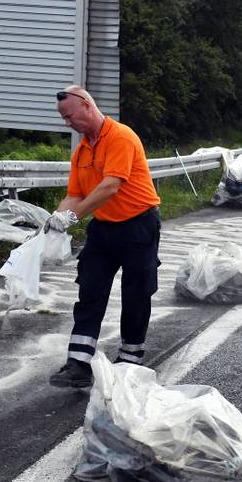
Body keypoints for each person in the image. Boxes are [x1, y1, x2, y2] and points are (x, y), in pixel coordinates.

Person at [47, 85, 162, 388]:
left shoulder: (120, 137)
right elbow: (74, 195)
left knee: (136, 293)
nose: (67, 123)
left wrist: (75, 214)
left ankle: (130, 361)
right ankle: (79, 363)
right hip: (104, 228)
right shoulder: (83, 151)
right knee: (90, 289)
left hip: (138, 225)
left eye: (69, 116)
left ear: (86, 105)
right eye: (63, 119)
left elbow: (111, 186)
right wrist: (58, 217)